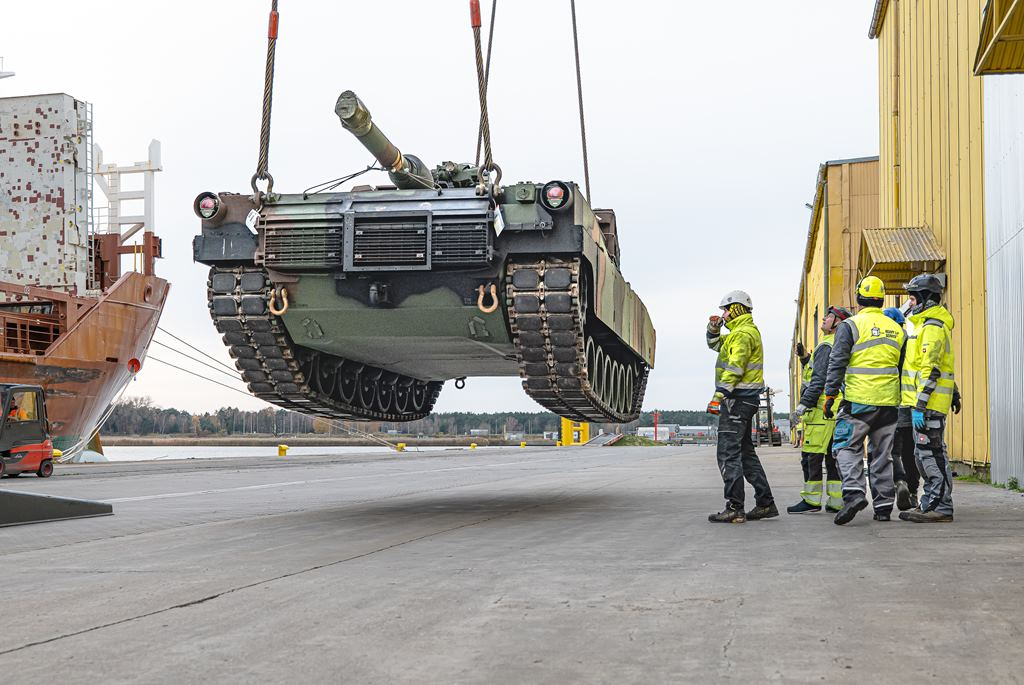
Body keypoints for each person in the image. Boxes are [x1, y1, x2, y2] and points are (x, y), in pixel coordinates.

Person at [822, 276, 905, 525]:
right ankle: (883, 506)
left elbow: (837, 362)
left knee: (845, 447)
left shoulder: (850, 326)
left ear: (859, 297)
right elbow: (903, 367)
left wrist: (830, 395)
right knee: (882, 455)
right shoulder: (897, 329)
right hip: (890, 403)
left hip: (858, 401)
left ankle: (854, 494)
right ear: (881, 299)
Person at [705, 290, 777, 523]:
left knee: (728, 452)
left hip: (737, 400)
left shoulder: (743, 334)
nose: (723, 314)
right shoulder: (738, 333)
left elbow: (735, 367)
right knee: (745, 452)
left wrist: (719, 396)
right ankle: (765, 503)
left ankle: (735, 507)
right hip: (745, 399)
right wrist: (714, 329)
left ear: (737, 308)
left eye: (725, 310)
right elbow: (716, 345)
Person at [898, 274, 960, 523]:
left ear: (925, 298)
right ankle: (930, 502)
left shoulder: (932, 326)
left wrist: (920, 406)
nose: (910, 303)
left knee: (930, 454)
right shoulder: (924, 325)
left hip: (928, 406)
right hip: (925, 405)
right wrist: (954, 392)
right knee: (925, 453)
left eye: (913, 298)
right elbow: (942, 365)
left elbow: (931, 369)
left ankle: (940, 506)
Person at [788, 305, 853, 514]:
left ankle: (811, 501)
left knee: (810, 457)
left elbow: (818, 380)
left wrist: (802, 406)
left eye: (829, 317)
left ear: (837, 324)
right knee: (832, 458)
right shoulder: (842, 344)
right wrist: (805, 358)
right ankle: (836, 502)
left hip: (821, 410)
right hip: (837, 408)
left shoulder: (826, 345)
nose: (824, 318)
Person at [882, 306, 920, 510]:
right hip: (910, 404)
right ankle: (913, 492)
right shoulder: (911, 341)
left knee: (891, 452)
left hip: (888, 405)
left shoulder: (882, 344)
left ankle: (900, 482)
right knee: (909, 452)